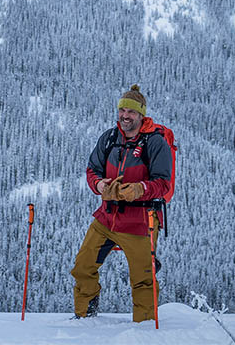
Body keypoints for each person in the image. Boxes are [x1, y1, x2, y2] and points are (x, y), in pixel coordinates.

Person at [70, 85, 172, 321]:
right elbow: (92, 170)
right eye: (122, 110)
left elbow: (163, 184)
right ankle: (85, 319)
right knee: (83, 267)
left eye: (131, 112)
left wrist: (139, 189)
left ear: (141, 114)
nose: (125, 115)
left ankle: (145, 330)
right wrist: (99, 185)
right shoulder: (109, 138)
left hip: (139, 222)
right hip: (106, 218)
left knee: (143, 279)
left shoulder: (155, 143)